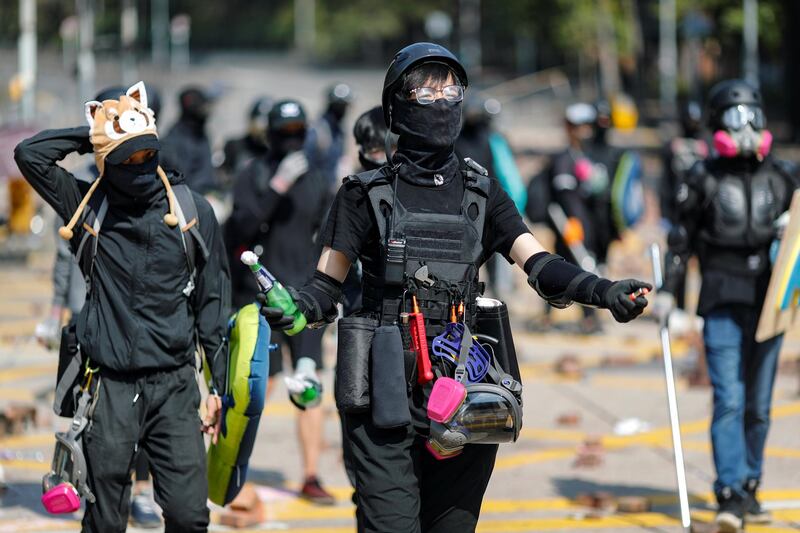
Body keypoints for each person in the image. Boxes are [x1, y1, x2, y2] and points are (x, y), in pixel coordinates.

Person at [259, 42, 651, 532]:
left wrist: (601, 291)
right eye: (426, 87)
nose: (441, 97)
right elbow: (324, 287)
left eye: (450, 86)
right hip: (383, 392)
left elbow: (539, 262)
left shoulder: (481, 190)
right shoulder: (363, 194)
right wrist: (297, 308)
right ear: (396, 106)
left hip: (465, 385)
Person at [14, 81, 230, 532]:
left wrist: (218, 387)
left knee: (190, 517)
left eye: (144, 154)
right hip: (108, 388)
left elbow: (213, 302)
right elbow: (30, 155)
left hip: (174, 386)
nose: (137, 165)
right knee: (105, 519)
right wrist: (96, 132)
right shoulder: (88, 206)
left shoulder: (192, 212)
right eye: (124, 157)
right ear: (105, 160)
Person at [656, 79, 799, 532]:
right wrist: (667, 294)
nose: (745, 128)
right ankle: (729, 491)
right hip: (720, 299)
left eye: (752, 116)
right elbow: (680, 242)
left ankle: (752, 484)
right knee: (730, 399)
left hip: (770, 302)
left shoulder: (782, 175)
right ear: (717, 125)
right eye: (735, 118)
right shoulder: (701, 178)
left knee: (759, 403)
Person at [226, 99, 335, 504]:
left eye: (297, 134)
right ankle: (229, 462)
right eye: (284, 134)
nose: (291, 142)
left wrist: (328, 296)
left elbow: (331, 239)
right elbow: (239, 227)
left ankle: (310, 474)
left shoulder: (319, 179)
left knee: (308, 387)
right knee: (256, 384)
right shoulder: (253, 173)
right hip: (260, 299)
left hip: (305, 297)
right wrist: (277, 188)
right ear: (269, 135)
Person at [541, 102, 611, 333]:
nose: (586, 131)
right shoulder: (563, 159)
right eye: (579, 126)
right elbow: (565, 196)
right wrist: (573, 222)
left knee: (574, 268)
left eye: (587, 126)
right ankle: (585, 316)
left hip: (588, 225)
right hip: (571, 226)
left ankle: (555, 316)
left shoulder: (588, 156)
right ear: (570, 128)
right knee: (574, 269)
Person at [660, 100, 708, 311]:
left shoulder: (707, 146)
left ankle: (703, 308)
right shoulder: (671, 146)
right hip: (678, 215)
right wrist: (665, 213)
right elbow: (665, 181)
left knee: (705, 264)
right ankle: (678, 307)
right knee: (678, 262)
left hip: (702, 215)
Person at [162, 86, 218, 194]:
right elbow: (182, 181)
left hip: (207, 196)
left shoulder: (201, 135)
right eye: (201, 107)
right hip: (189, 200)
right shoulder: (174, 140)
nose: (206, 112)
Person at [305, 83, 354, 187]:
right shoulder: (316, 131)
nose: (343, 110)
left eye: (344, 106)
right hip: (315, 189)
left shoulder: (340, 131)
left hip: (331, 189)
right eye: (340, 106)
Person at [221, 96, 272, 184]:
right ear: (251, 121)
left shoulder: (275, 152)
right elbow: (221, 175)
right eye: (260, 123)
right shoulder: (234, 145)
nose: (264, 129)